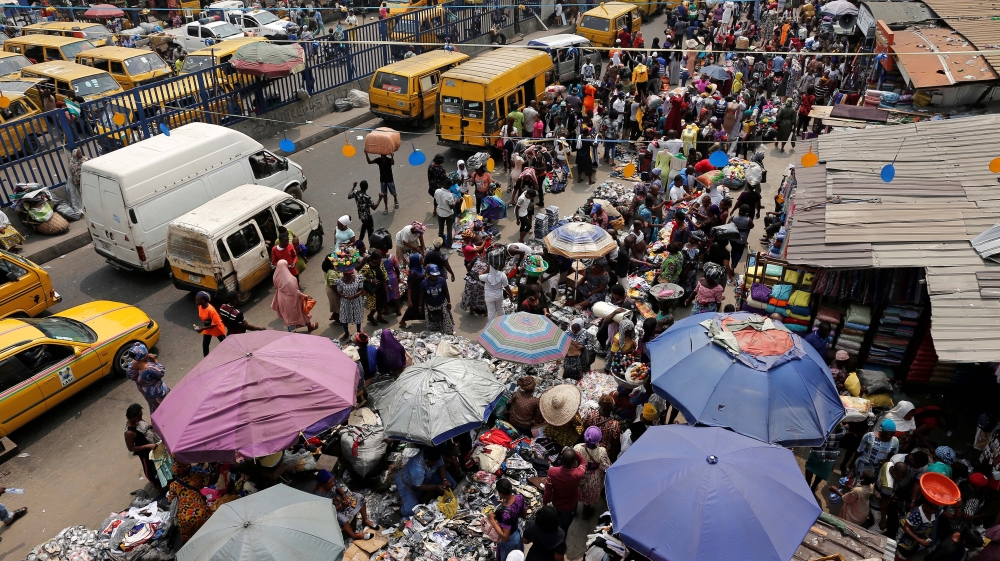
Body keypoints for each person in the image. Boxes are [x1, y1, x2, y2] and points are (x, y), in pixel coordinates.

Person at [314, 469, 375, 540]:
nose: (333, 483)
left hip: (338, 499)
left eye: (332, 481)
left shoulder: (331, 480)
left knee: (359, 497)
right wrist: (341, 506)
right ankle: (354, 535)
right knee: (340, 518)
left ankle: (365, 520)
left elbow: (337, 485)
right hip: (333, 509)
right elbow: (327, 511)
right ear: (324, 485)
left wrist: (344, 495)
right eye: (330, 483)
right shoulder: (318, 496)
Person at [396, 446, 456, 518]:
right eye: (434, 462)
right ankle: (402, 510)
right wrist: (436, 487)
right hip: (407, 483)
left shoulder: (434, 455)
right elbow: (418, 486)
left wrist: (444, 480)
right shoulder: (417, 468)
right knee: (411, 510)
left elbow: (441, 465)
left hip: (426, 476)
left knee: (451, 483)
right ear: (427, 460)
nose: (436, 463)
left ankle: (438, 494)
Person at [543, 448, 586, 533]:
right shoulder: (578, 473)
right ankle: (561, 539)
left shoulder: (552, 471)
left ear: (561, 459)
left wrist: (545, 504)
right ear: (573, 462)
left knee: (554, 522)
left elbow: (547, 491)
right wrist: (575, 453)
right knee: (564, 526)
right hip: (570, 505)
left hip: (556, 503)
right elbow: (583, 462)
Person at [124, 403, 165, 493]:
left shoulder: (138, 420)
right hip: (145, 451)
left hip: (154, 444)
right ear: (132, 417)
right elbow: (131, 448)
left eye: (141, 414)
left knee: (160, 462)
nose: (141, 417)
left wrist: (154, 425)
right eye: (139, 416)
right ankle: (157, 485)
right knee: (149, 470)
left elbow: (146, 426)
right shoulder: (129, 433)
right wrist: (147, 446)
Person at [574, 427, 611, 519]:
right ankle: (585, 513)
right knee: (588, 497)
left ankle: (573, 511)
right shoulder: (602, 451)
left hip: (579, 475)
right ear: (598, 440)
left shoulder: (577, 448)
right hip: (593, 479)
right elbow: (606, 467)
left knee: (576, 493)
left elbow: (574, 464)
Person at [168, 463, 210, 543]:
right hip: (201, 513)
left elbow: (170, 500)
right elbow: (210, 481)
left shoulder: (173, 485)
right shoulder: (196, 477)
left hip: (185, 517)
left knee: (189, 543)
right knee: (206, 537)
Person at [272, 260, 318, 332]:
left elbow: (276, 287)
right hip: (292, 300)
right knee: (303, 313)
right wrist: (306, 296)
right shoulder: (290, 280)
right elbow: (296, 292)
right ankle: (310, 327)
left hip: (282, 299)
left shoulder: (275, 276)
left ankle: (291, 333)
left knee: (288, 317)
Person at [487, 478, 526, 561]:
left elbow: (505, 537)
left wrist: (492, 521)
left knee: (509, 557)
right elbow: (523, 514)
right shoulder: (519, 497)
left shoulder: (505, 514)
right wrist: (504, 503)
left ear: (501, 493)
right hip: (517, 533)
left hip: (510, 539)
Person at [126, 342, 169, 413]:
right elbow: (161, 372)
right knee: (165, 406)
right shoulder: (149, 367)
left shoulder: (130, 366)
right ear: (143, 356)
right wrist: (155, 360)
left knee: (154, 407)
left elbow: (131, 376)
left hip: (146, 392)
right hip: (158, 392)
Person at [805, 422, 846, 491]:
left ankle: (807, 485)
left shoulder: (820, 429)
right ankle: (814, 487)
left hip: (816, 453)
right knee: (821, 473)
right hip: (829, 457)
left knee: (810, 468)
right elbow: (846, 428)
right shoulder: (842, 432)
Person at [422, 264, 454, 334]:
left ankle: (448, 334)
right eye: (433, 275)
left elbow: (446, 292)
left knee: (446, 320)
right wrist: (420, 306)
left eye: (436, 275)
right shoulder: (424, 283)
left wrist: (449, 302)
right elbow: (421, 296)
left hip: (442, 304)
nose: (435, 276)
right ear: (429, 274)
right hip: (430, 306)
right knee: (432, 322)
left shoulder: (442, 280)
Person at [336, 266, 366, 341]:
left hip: (356, 301)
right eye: (344, 274)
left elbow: (361, 289)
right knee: (344, 318)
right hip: (345, 302)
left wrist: (354, 296)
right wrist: (342, 295)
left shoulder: (358, 278)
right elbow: (339, 291)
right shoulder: (340, 281)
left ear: (351, 273)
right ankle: (346, 333)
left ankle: (358, 331)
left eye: (347, 274)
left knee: (357, 317)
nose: (345, 276)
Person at [360, 249, 389, 325]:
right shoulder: (367, 267)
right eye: (379, 259)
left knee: (382, 303)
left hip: (381, 287)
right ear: (374, 259)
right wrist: (370, 280)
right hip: (372, 289)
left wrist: (388, 284)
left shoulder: (380, 264)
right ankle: (370, 316)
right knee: (374, 306)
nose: (381, 260)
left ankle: (380, 316)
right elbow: (359, 277)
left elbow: (384, 273)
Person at [194, 291, 226, 356]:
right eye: (196, 299)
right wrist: (204, 327)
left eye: (198, 300)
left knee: (225, 343)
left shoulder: (211, 310)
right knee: (205, 345)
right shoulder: (200, 306)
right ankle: (206, 360)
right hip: (208, 327)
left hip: (217, 328)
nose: (196, 301)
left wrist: (202, 328)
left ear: (203, 300)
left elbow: (215, 324)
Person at [399, 254, 425, 330]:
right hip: (415, 293)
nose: (422, 261)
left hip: (422, 292)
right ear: (416, 262)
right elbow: (409, 287)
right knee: (412, 308)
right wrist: (409, 300)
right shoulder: (413, 273)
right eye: (421, 260)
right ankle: (402, 321)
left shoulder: (421, 268)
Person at [434, 182, 457, 248]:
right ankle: (449, 245)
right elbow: (452, 207)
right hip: (448, 214)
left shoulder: (437, 191)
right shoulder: (449, 195)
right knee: (449, 230)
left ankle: (440, 244)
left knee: (441, 229)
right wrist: (456, 201)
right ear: (449, 186)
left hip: (440, 213)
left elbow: (435, 200)